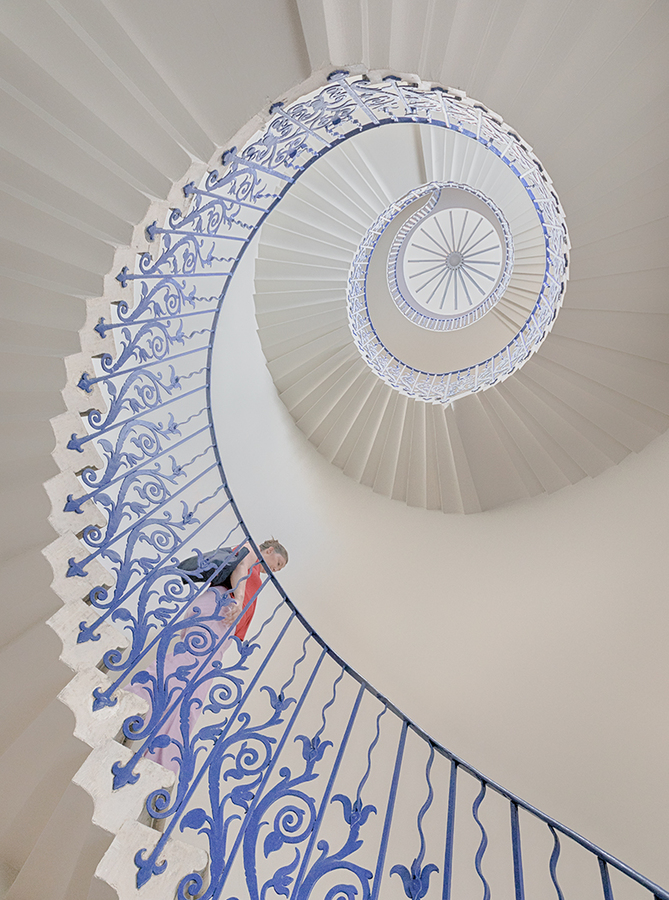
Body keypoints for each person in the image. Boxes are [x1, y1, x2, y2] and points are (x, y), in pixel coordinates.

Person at [126, 538, 288, 774]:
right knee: (184, 668)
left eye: (279, 569)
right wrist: (239, 599)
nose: (275, 569)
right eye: (278, 563)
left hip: (221, 623)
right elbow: (241, 565)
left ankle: (163, 753)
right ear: (270, 550)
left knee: (192, 689)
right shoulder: (250, 551)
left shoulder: (257, 573)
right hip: (219, 611)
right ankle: (135, 700)